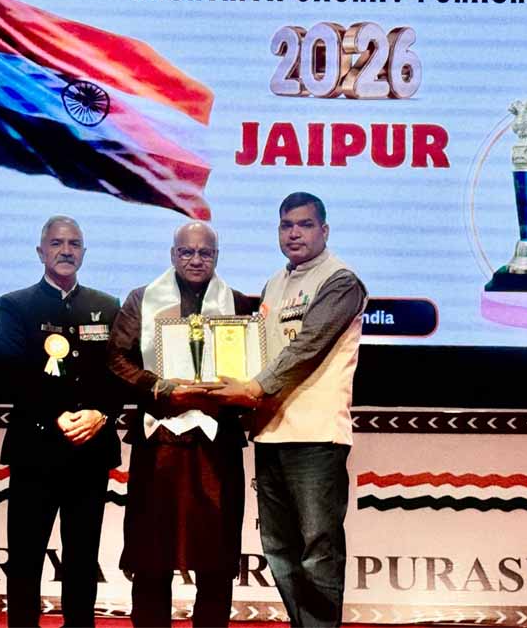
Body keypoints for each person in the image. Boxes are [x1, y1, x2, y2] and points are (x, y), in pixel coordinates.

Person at [210, 193, 367, 627]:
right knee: (279, 550)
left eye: (305, 224)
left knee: (318, 550)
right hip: (271, 431)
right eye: (286, 225)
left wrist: (253, 388)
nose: (294, 233)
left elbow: (307, 347)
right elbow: (260, 351)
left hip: (316, 435)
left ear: (324, 230)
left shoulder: (341, 281)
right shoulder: (274, 284)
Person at [107, 221, 258, 628]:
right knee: (151, 557)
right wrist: (156, 386)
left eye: (205, 253)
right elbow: (116, 359)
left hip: (215, 444)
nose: (196, 260)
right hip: (160, 441)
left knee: (216, 558)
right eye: (187, 252)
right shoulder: (141, 299)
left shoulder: (238, 304)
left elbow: (253, 369)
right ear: (173, 255)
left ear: (216, 257)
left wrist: (235, 391)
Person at [0, 216, 123, 628]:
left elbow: (120, 371)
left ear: (84, 252)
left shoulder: (108, 306)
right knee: (26, 557)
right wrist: (54, 416)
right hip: (35, 450)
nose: (66, 251)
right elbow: (11, 373)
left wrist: (102, 413)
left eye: (74, 244)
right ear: (40, 252)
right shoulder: (14, 305)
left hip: (90, 449)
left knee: (83, 558)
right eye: (56, 243)